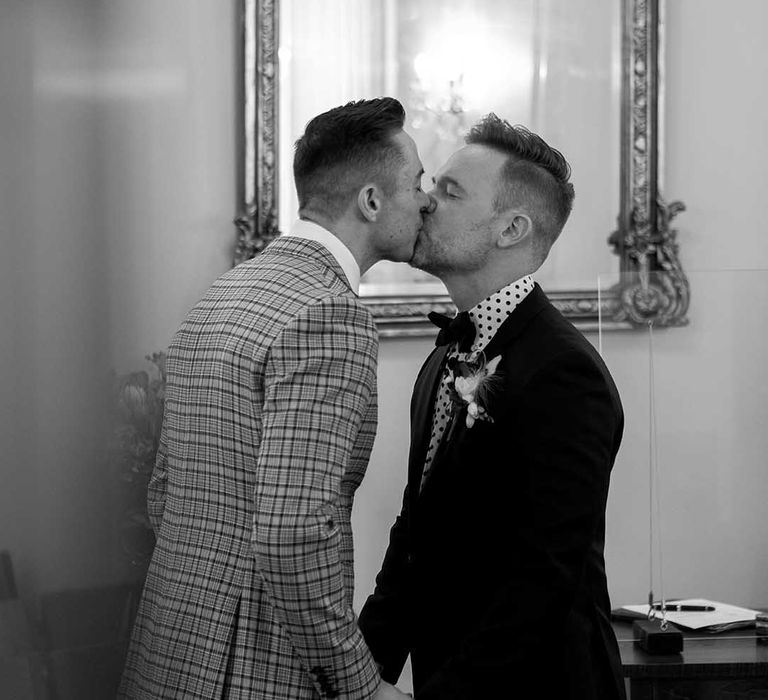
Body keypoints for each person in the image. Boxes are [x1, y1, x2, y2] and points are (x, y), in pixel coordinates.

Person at [118, 97, 427, 699]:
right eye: (415, 182)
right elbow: (292, 532)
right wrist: (361, 685)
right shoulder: (329, 313)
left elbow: (164, 494)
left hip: (168, 651)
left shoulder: (223, 292)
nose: (425, 199)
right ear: (371, 200)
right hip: (253, 670)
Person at [358, 114, 626, 699]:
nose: (424, 203)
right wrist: (358, 675)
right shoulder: (446, 356)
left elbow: (542, 580)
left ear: (511, 229)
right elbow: (415, 538)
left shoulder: (564, 372)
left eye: (449, 192)